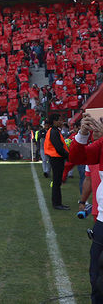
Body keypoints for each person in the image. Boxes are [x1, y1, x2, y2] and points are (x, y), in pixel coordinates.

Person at [67, 114, 103, 304]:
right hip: (102, 220)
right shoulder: (100, 144)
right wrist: (82, 133)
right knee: (96, 274)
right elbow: (76, 156)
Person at [45, 115, 71, 210]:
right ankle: (57, 203)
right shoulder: (54, 132)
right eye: (59, 120)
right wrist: (68, 156)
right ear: (54, 121)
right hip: (56, 159)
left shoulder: (54, 131)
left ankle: (58, 203)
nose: (61, 121)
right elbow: (59, 148)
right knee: (57, 182)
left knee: (57, 181)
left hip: (56, 158)